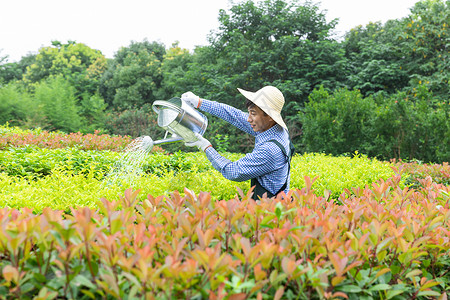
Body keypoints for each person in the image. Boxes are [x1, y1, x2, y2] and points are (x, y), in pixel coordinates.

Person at [181, 86, 294, 200]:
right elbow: (235, 116)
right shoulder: (275, 129)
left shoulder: (270, 150)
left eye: (253, 114)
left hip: (270, 210)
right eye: (249, 112)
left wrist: (206, 147)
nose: (249, 119)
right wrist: (199, 102)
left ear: (269, 116)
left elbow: (234, 171)